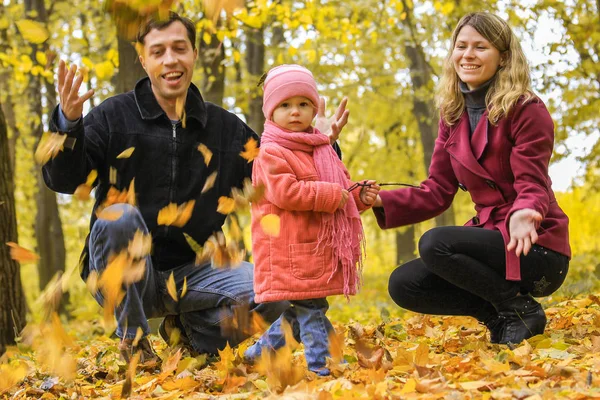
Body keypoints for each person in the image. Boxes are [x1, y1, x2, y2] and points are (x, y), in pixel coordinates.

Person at [42, 12, 349, 362]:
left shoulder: (225, 129)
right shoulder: (113, 116)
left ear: (194, 55)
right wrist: (67, 125)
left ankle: (192, 335)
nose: (170, 59)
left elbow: (281, 178)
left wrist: (320, 143)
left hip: (195, 272)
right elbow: (63, 180)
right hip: (122, 273)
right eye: (158, 52)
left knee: (276, 292)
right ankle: (134, 340)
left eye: (179, 48)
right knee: (118, 216)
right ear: (143, 60)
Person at [372, 12, 571, 345]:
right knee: (404, 283)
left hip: (536, 245)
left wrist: (526, 211)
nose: (468, 55)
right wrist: (379, 200)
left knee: (435, 243)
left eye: (480, 47)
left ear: (503, 57)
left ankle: (520, 308)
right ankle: (500, 316)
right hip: (492, 239)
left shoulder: (526, 109)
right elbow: (437, 191)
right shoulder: (452, 115)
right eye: (461, 46)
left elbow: (532, 179)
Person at [243, 65, 380, 376]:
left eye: (304, 105)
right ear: (270, 111)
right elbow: (286, 193)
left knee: (299, 310)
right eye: (285, 105)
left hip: (313, 249)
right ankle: (325, 367)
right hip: (288, 250)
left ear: (314, 108)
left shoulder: (321, 150)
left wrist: (359, 197)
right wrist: (333, 194)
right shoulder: (271, 153)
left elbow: (339, 194)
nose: (295, 112)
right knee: (312, 308)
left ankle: (259, 353)